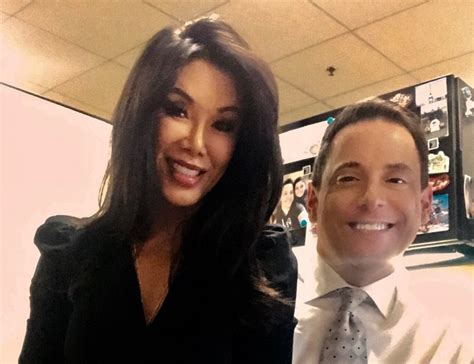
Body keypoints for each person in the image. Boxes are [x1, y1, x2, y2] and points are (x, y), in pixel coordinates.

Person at [20, 17, 297, 364]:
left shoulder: (261, 264)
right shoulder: (70, 252)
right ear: (141, 113)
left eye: (223, 125)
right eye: (177, 109)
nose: (196, 143)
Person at [292, 99, 472, 363]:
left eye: (395, 180)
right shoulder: (253, 308)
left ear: (424, 205)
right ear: (313, 202)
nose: (372, 198)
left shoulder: (455, 342)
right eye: (349, 178)